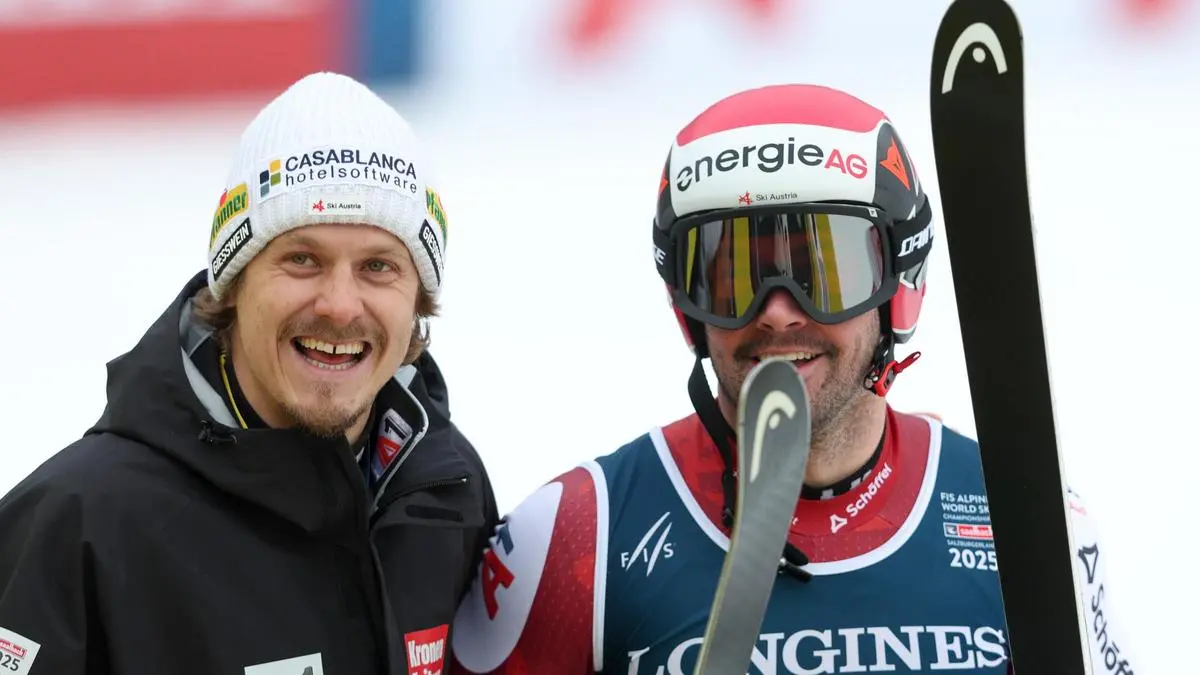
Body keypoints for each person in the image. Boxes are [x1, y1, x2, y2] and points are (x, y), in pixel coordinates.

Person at [447, 84, 1136, 674]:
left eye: (822, 272)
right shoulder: (574, 534)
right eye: (734, 277)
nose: (778, 311)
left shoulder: (1027, 521)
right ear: (687, 306)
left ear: (898, 286)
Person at [0, 72, 497, 675]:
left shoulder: (444, 486)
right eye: (302, 259)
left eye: (378, 267)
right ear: (233, 284)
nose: (341, 306)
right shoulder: (77, 527)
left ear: (418, 297)